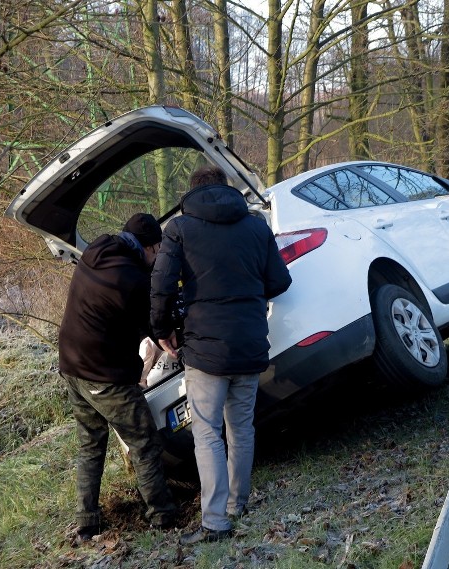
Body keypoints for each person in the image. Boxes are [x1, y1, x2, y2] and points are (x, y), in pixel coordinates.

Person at [151, 166, 292, 544]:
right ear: (228, 190)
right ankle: (237, 504)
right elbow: (280, 281)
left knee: (207, 432)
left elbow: (162, 285)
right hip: (249, 343)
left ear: (191, 193)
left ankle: (215, 521)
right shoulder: (257, 226)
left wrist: (161, 329)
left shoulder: (179, 229)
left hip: (205, 350)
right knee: (242, 427)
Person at [59, 213, 178, 544]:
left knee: (90, 444)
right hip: (103, 375)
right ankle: (163, 515)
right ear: (151, 246)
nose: (157, 260)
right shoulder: (133, 280)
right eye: (158, 252)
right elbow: (155, 324)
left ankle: (87, 523)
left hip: (71, 366)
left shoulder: (98, 248)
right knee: (144, 441)